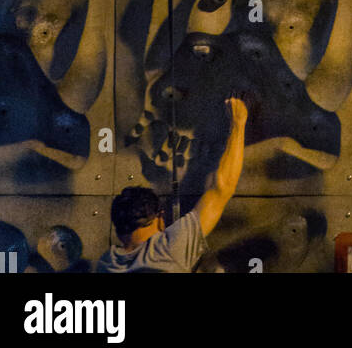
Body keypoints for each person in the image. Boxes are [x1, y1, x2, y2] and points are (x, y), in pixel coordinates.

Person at [96, 96, 248, 274]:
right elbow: (222, 188)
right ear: (160, 218)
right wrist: (238, 123)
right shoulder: (170, 248)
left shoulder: (107, 263)